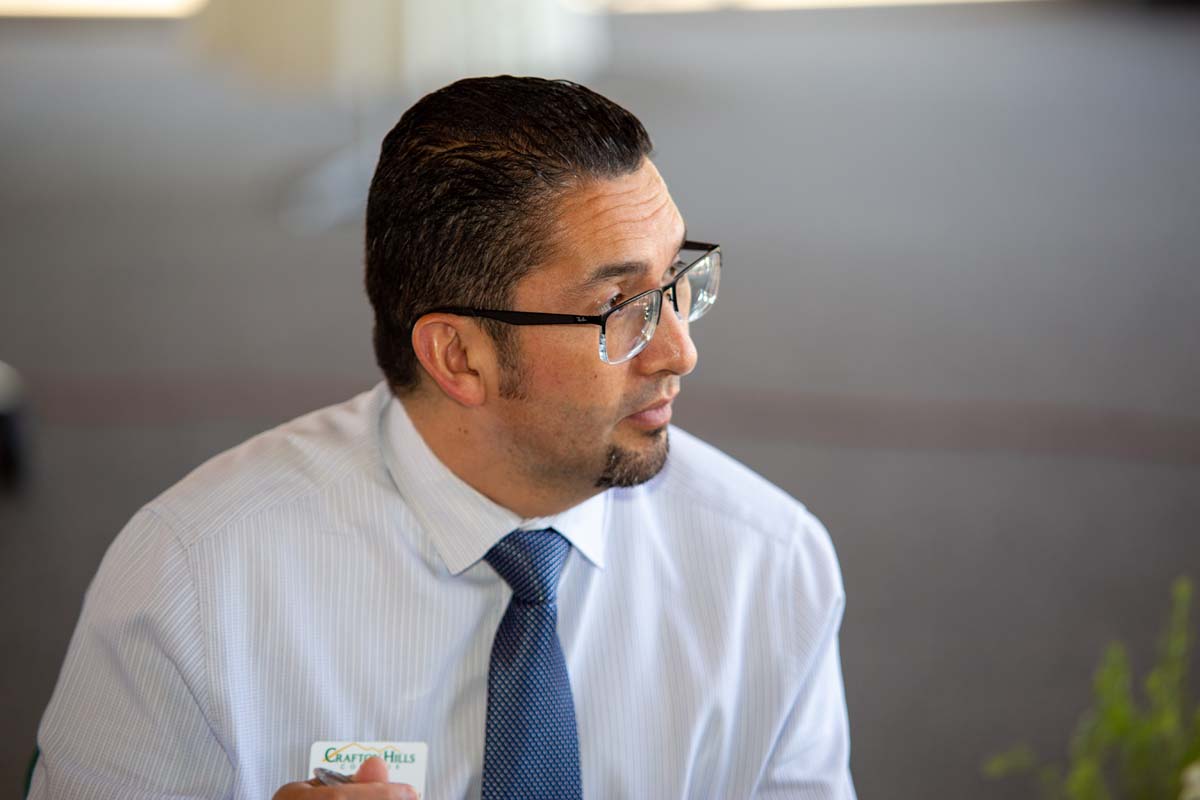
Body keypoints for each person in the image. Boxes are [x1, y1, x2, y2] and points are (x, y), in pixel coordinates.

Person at [30, 76, 856, 799]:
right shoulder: (193, 577)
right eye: (619, 308)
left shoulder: (769, 566)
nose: (680, 350)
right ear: (458, 356)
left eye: (675, 279)